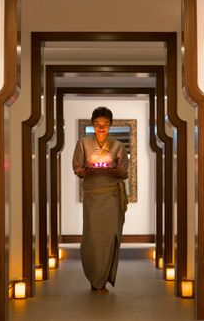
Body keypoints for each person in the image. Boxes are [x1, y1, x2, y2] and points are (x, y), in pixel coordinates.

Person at [72, 106, 129, 294]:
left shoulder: (118, 146)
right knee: (92, 238)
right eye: (97, 125)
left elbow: (124, 172)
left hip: (112, 197)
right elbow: (77, 168)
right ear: (92, 125)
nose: (101, 128)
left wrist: (113, 171)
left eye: (105, 125)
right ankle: (94, 277)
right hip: (93, 197)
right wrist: (87, 170)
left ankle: (102, 280)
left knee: (109, 238)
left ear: (111, 125)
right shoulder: (83, 144)